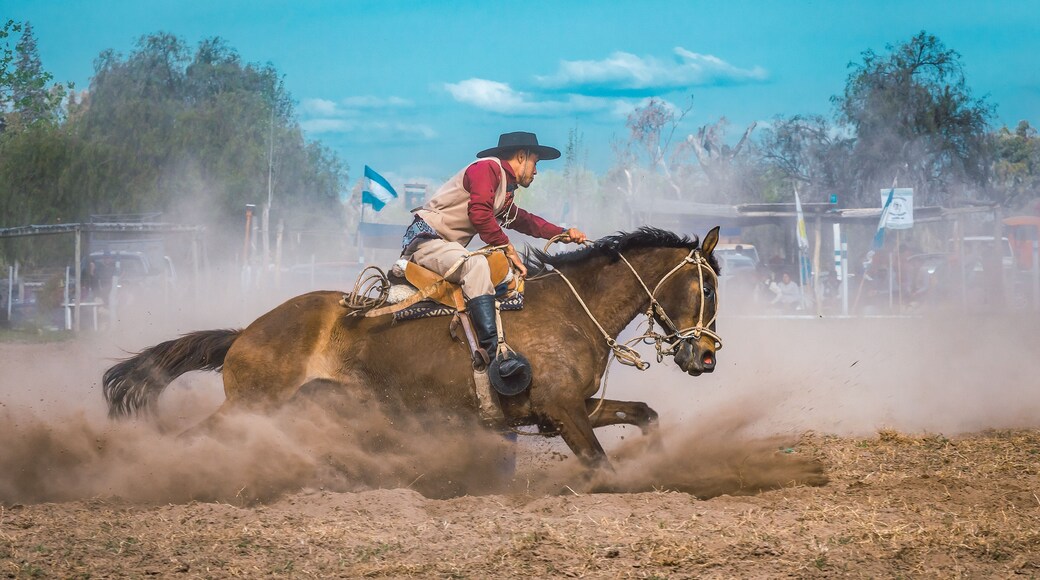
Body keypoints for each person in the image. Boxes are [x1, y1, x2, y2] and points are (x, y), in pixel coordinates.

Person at [400, 131, 587, 378]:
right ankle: (494, 356)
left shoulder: (502, 187)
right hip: (427, 243)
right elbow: (480, 215)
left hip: (447, 247)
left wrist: (561, 232)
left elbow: (524, 220)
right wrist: (508, 248)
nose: (536, 171)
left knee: (500, 270)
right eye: (535, 163)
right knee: (476, 265)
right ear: (522, 156)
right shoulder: (486, 170)